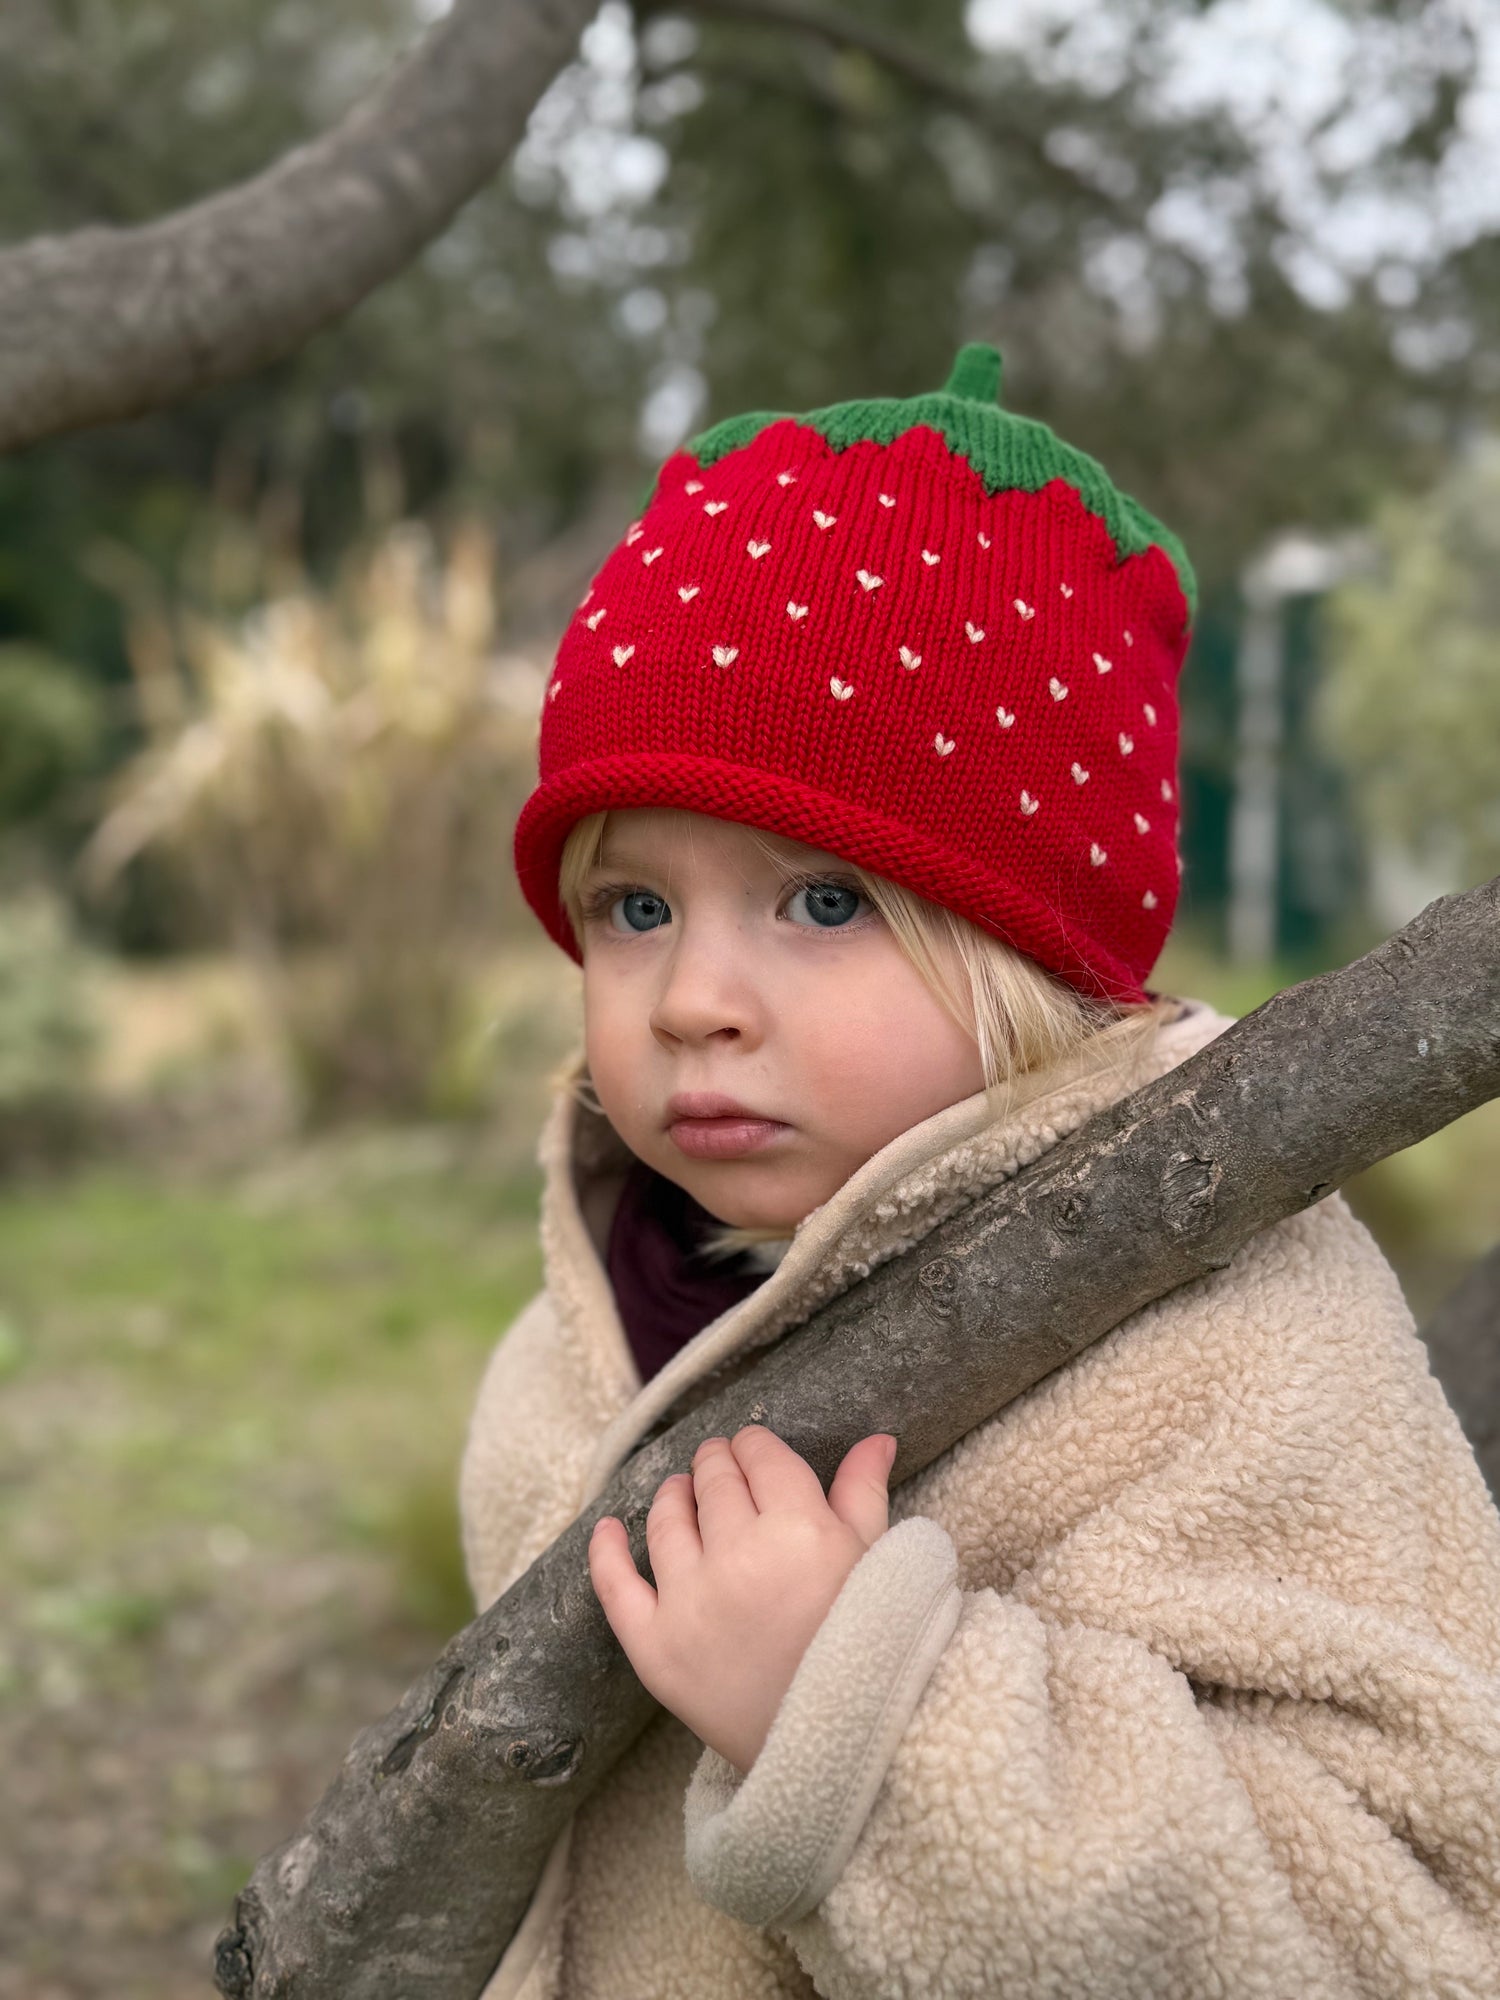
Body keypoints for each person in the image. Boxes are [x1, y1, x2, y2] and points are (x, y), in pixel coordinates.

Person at [459, 344, 1500, 1999]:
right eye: (633, 907)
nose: (692, 1001)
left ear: (1032, 959)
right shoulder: (573, 1343)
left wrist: (860, 1711)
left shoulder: (1228, 1353)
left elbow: (1399, 1936)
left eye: (822, 902)